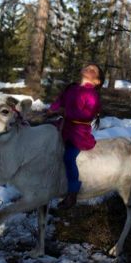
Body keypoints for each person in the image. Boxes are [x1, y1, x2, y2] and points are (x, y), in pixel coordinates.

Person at [45, 64, 104, 209]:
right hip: (62, 126)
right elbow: (60, 100)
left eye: (93, 70)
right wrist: (51, 109)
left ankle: (72, 193)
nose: (88, 69)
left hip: (78, 132)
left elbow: (87, 115)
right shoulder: (71, 88)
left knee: (69, 157)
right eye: (87, 67)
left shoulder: (93, 95)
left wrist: (65, 113)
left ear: (97, 81)